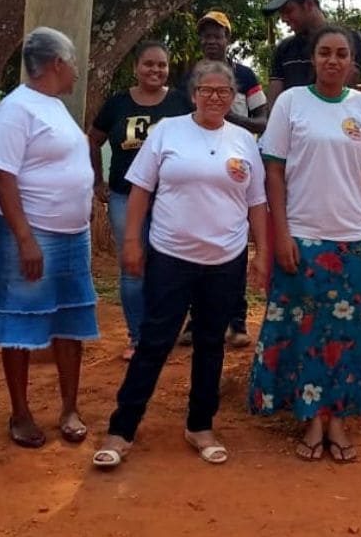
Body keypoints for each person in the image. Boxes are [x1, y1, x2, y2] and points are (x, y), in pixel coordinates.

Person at [93, 61, 270, 470]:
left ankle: (200, 425)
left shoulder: (243, 141)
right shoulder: (167, 132)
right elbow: (140, 191)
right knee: (155, 342)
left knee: (211, 344)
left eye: (223, 92)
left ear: (232, 98)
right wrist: (133, 242)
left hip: (225, 260)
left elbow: (256, 202)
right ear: (193, 95)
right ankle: (122, 429)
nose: (214, 98)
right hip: (171, 257)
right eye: (206, 90)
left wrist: (261, 254)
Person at [247, 25, 361, 463]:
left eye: (341, 53)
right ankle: (311, 419)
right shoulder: (291, 103)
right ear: (313, 58)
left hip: (354, 239)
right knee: (305, 334)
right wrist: (281, 233)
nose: (332, 60)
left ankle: (339, 421)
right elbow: (273, 172)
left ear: (352, 62)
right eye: (325, 52)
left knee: (349, 336)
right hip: (303, 237)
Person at [0, 28, 100, 449]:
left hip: (72, 235)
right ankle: (21, 412)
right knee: (21, 320)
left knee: (70, 318)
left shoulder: (53, 106)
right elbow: (1, 173)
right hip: (31, 233)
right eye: (74, 63)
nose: (77, 71)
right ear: (57, 64)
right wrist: (24, 238)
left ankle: (70, 407)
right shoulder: (16, 109)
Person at [89, 41, 193, 359]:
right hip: (125, 195)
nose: (155, 70)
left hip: (170, 199)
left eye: (161, 65)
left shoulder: (180, 103)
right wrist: (98, 180)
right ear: (136, 67)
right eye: (148, 64)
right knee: (133, 264)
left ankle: (164, 331)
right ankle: (137, 338)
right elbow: (93, 139)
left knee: (171, 264)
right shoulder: (118, 103)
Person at [180, 12, 268, 348]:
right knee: (195, 243)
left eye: (217, 35)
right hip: (198, 170)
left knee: (235, 246)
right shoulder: (189, 75)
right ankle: (194, 320)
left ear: (227, 39)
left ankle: (237, 320)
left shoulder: (245, 76)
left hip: (237, 169)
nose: (211, 41)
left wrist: (233, 120)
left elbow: (264, 119)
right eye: (206, 36)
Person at [262, 0, 361, 105]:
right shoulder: (284, 50)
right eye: (281, 13)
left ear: (309, 4)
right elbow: (275, 107)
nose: (283, 18)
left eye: (288, 10)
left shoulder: (349, 40)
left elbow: (340, 90)